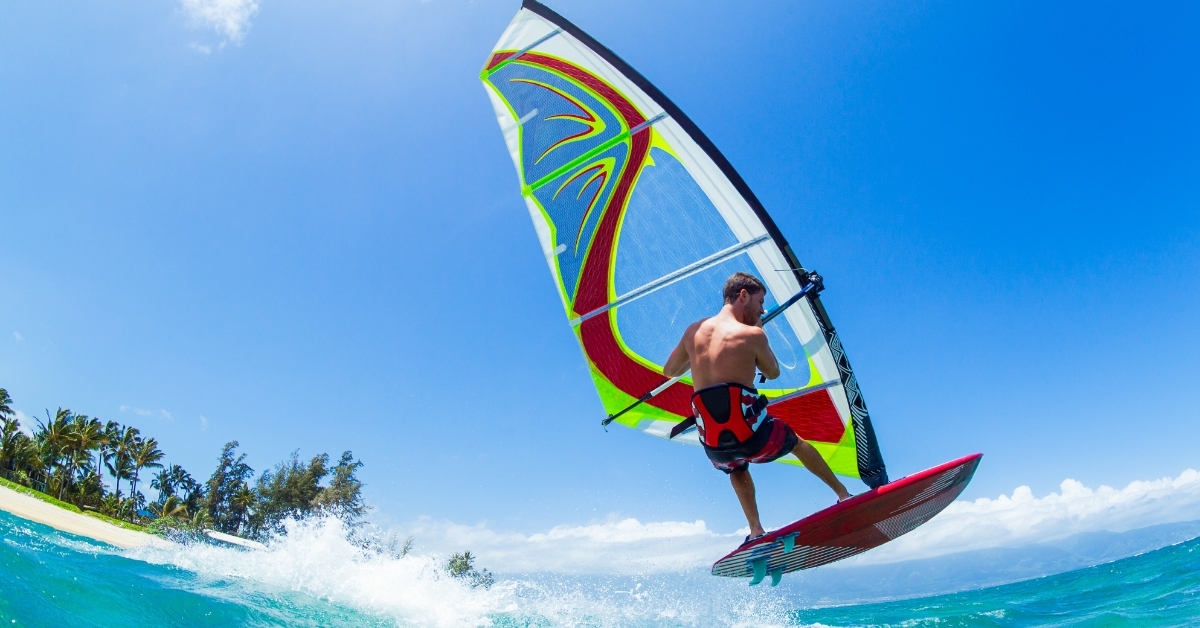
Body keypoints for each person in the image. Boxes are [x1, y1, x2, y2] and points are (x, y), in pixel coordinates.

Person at [663, 272, 851, 543]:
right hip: (753, 437)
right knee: (796, 442)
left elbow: (670, 370)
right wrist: (760, 331)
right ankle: (843, 495)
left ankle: (755, 530)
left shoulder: (693, 332)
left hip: (714, 447)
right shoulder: (753, 335)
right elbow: (772, 372)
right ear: (743, 295)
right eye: (760, 302)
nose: (762, 309)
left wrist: (696, 357)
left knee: (736, 467)